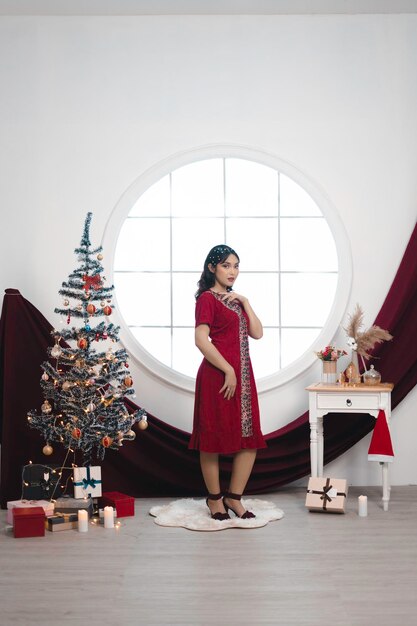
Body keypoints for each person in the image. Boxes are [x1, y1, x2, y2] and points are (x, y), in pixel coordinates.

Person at [189, 244, 267, 520]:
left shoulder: (235, 300)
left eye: (236, 265)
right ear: (212, 268)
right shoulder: (207, 300)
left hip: (244, 377)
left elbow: (257, 333)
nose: (232, 271)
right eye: (226, 265)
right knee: (212, 437)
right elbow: (200, 340)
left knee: (248, 440)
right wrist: (228, 370)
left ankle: (234, 498)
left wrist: (245, 302)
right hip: (218, 377)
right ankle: (214, 500)